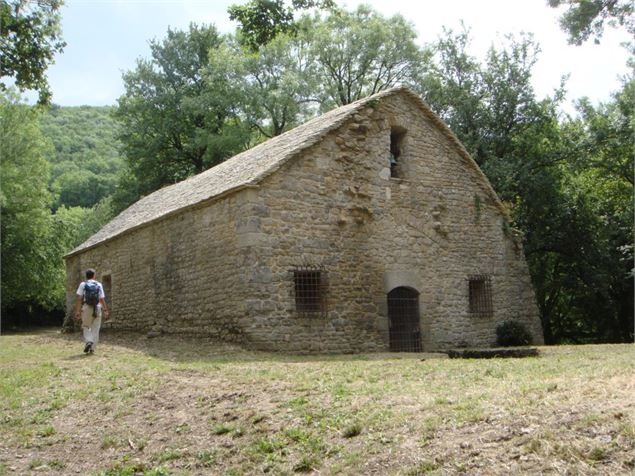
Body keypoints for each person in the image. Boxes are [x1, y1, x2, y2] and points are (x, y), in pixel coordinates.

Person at [74, 268, 110, 354]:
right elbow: (101, 299)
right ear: (94, 276)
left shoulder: (83, 284)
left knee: (86, 326)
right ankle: (92, 348)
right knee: (96, 328)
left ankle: (89, 341)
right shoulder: (99, 284)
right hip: (97, 307)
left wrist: (78, 311)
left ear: (86, 276)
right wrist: (105, 310)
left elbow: (79, 298)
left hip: (87, 307)